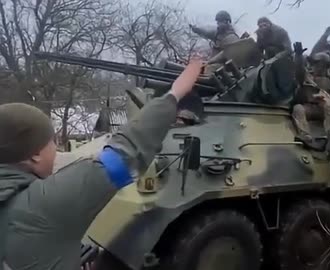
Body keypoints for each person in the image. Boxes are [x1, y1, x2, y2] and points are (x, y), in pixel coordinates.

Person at [1, 58, 203, 270]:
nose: (56, 148)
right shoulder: (43, 206)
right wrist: (175, 94)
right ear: (35, 154)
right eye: (51, 142)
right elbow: (123, 155)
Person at [291, 42, 330, 144]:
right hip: (310, 108)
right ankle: (305, 135)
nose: (317, 67)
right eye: (315, 64)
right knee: (298, 108)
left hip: (325, 110)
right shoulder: (307, 77)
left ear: (326, 67)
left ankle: (329, 134)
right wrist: (298, 56)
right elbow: (299, 71)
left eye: (321, 65)